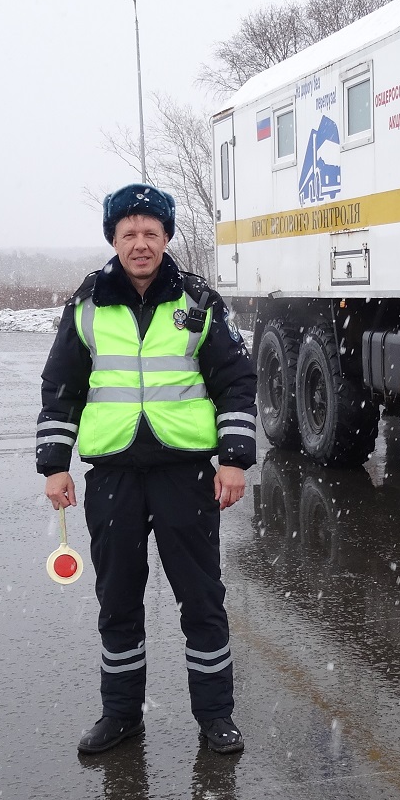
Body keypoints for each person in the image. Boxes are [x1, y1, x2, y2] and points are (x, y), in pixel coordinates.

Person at [37, 183, 257, 755]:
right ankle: (121, 716)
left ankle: (215, 718)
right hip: (112, 479)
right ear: (113, 238)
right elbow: (60, 389)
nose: (140, 243)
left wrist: (233, 460)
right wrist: (53, 466)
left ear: (166, 238)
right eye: (129, 233)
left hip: (185, 476)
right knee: (118, 602)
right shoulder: (85, 306)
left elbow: (236, 382)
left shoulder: (199, 304)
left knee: (202, 600)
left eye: (151, 233)